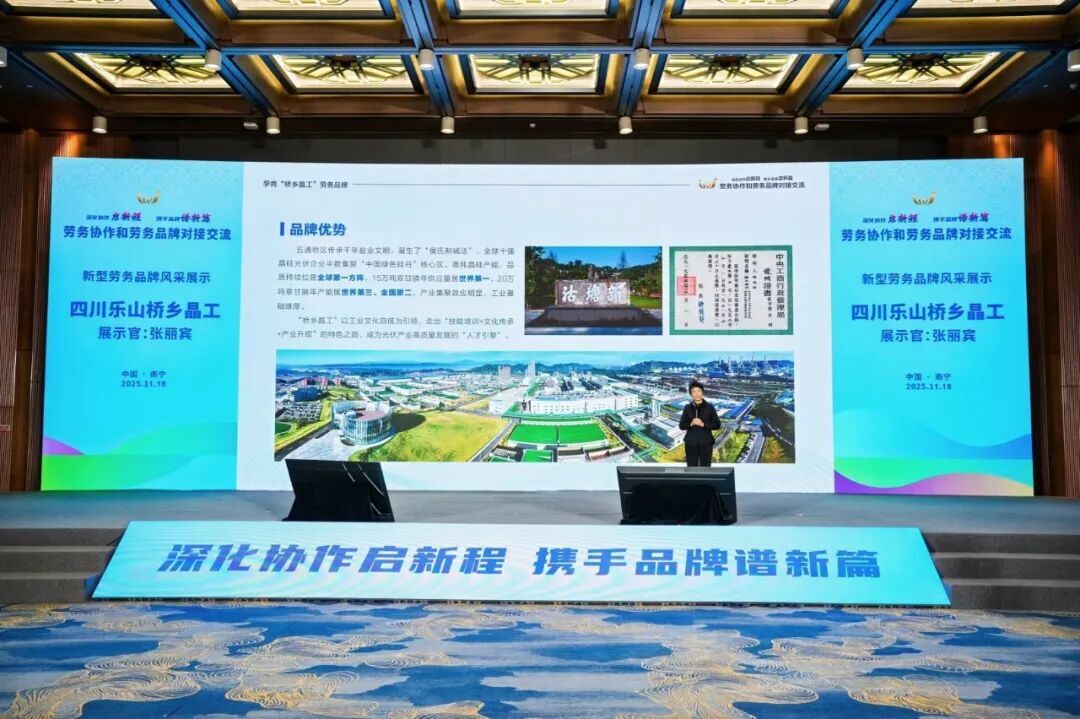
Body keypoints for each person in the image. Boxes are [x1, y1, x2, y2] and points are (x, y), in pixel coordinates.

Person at [678, 380, 721, 467]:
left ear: (702, 392)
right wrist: (691, 423)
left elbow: (717, 425)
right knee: (691, 468)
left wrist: (703, 424)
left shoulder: (710, 407)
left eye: (699, 390)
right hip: (690, 443)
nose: (696, 393)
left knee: (705, 468)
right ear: (691, 394)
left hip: (706, 443)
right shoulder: (687, 407)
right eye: (693, 391)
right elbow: (681, 425)